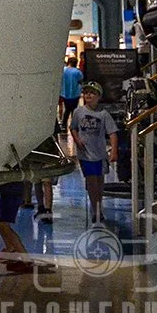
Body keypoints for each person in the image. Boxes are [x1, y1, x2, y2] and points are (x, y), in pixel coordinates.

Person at [69, 81, 119, 224]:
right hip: (85, 154)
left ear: (98, 96)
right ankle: (95, 209)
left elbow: (112, 132)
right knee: (91, 181)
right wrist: (77, 140)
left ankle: (98, 204)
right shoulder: (78, 112)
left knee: (99, 182)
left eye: (92, 93)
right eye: (86, 93)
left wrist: (114, 151)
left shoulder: (103, 114)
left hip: (100, 154)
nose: (88, 95)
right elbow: (73, 128)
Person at [59, 55, 83, 127]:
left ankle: (64, 124)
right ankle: (74, 125)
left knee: (67, 109)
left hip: (65, 93)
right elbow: (80, 81)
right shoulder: (77, 72)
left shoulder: (63, 70)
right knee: (74, 110)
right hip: (75, 94)